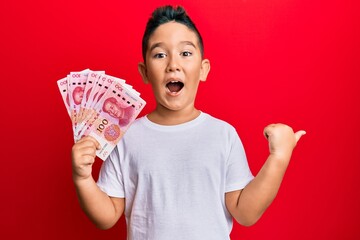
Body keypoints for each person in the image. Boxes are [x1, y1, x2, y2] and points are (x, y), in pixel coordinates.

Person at [71, 5, 306, 239]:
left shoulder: (223, 134)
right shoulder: (125, 137)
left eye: (185, 53)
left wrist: (279, 158)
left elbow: (246, 213)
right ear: (144, 72)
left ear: (203, 69)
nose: (173, 64)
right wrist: (82, 178)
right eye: (160, 55)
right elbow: (107, 216)